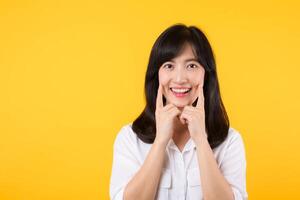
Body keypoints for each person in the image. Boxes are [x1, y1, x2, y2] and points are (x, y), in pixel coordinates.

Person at [109, 23, 248, 200]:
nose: (180, 78)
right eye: (169, 66)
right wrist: (160, 141)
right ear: (156, 74)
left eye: (191, 66)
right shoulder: (130, 138)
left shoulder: (230, 141)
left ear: (207, 75)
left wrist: (201, 140)